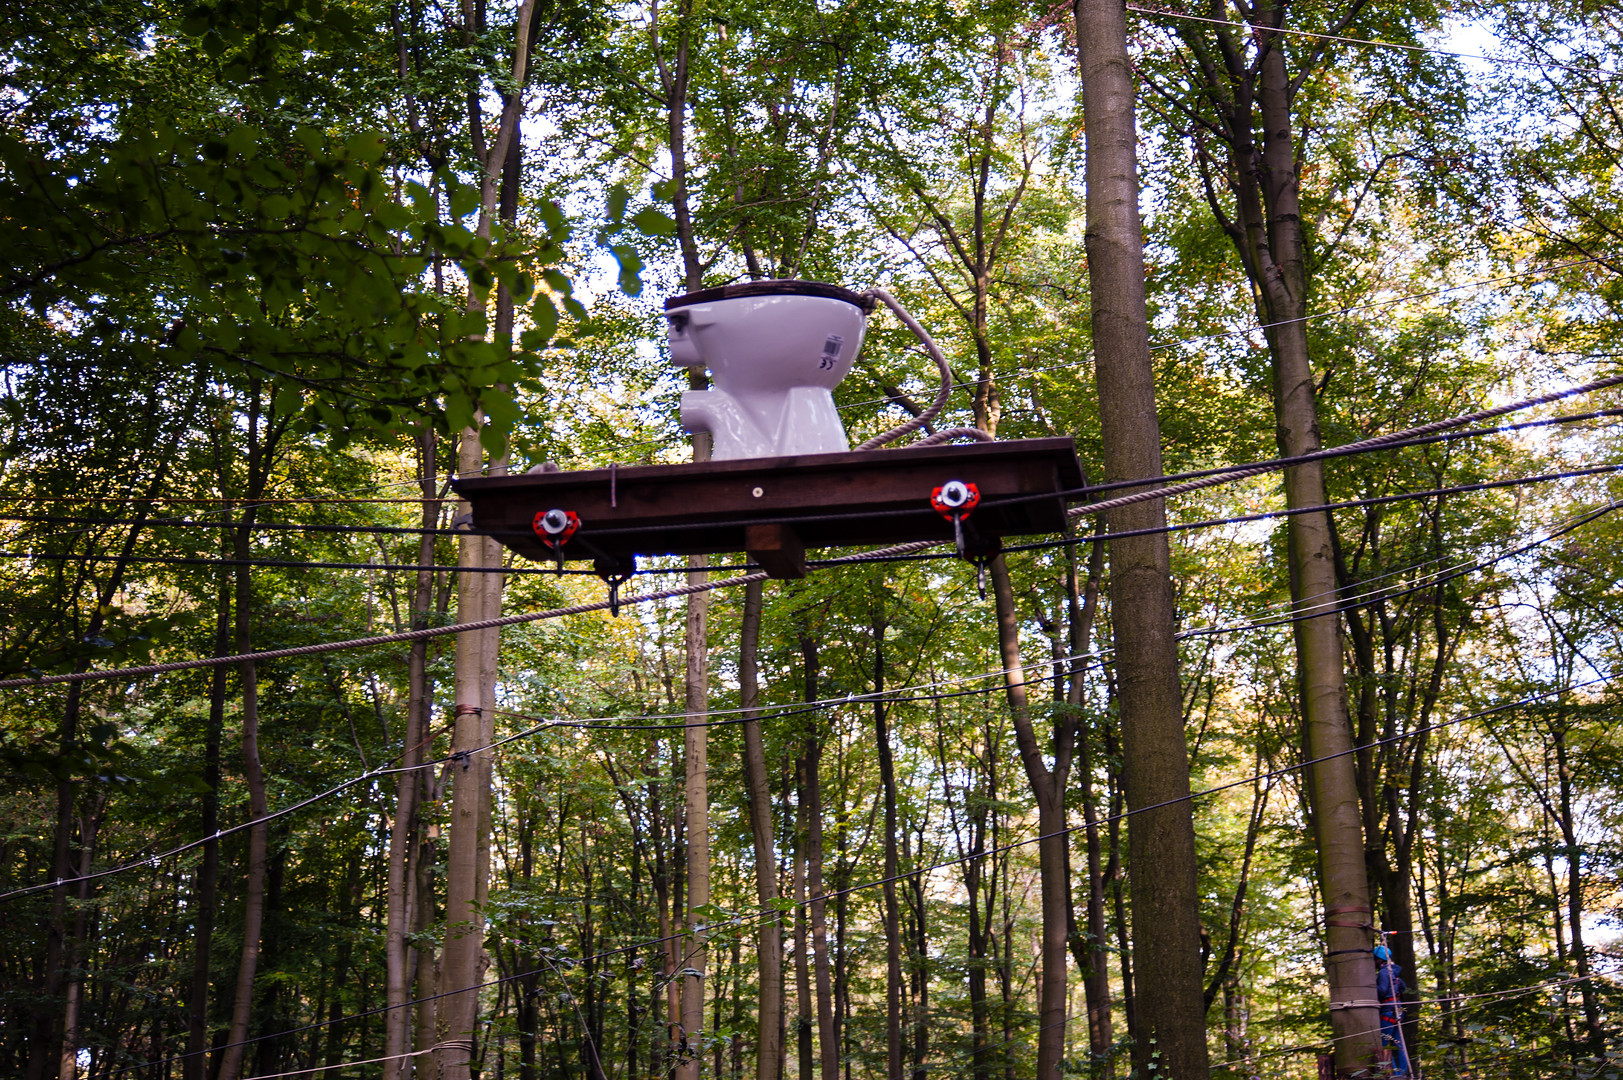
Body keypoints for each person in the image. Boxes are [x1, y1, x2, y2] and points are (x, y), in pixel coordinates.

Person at [1375, 944, 1410, 1077]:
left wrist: (1372, 987)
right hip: (1397, 1012)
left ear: (1379, 959)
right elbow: (1402, 987)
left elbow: (1382, 991)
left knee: (1384, 1044)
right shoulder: (1393, 972)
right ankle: (1402, 1072)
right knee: (1398, 1043)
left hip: (1388, 1012)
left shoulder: (1384, 972)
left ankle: (1394, 1073)